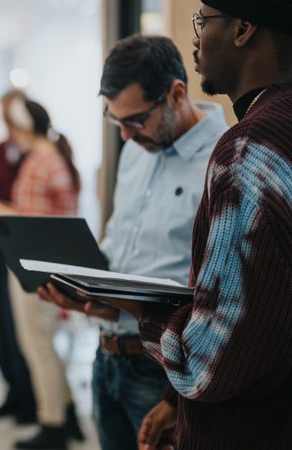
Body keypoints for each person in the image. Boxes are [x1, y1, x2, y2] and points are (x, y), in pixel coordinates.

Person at [92, 1, 292, 449]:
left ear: (243, 28)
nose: (195, 38)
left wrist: (142, 311)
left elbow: (203, 361)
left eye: (203, 20)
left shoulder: (245, 153)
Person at [37, 35, 228, 450]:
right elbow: (119, 243)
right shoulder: (135, 150)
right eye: (114, 120)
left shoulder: (224, 160)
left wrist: (177, 398)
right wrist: (86, 289)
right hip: (107, 358)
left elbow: (222, 295)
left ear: (177, 94)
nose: (125, 135)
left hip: (164, 370)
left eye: (135, 120)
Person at [0, 97, 83, 450]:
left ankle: (52, 423)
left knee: (37, 345)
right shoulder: (52, 158)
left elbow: (27, 222)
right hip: (48, 262)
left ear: (24, 127)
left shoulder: (40, 162)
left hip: (34, 263)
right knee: (44, 341)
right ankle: (66, 414)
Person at [0, 89, 38, 425]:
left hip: (23, 250)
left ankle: (30, 399)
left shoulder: (37, 151)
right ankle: (12, 392)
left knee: (19, 329)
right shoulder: (1, 148)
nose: (3, 117)